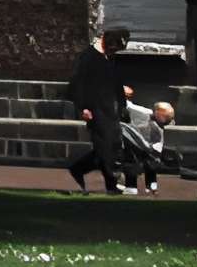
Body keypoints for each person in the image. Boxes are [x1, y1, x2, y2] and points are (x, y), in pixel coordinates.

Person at [68, 26, 133, 192]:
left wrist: (122, 104)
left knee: (111, 145)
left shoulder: (109, 58)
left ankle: (79, 169)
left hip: (110, 107)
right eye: (113, 48)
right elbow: (78, 84)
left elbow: (115, 80)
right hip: (95, 108)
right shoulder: (88, 57)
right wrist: (83, 107)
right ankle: (111, 184)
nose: (113, 51)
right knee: (104, 145)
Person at [120, 98, 177, 193]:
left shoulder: (167, 123)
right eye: (164, 115)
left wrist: (155, 149)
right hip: (135, 141)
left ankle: (151, 186)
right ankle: (131, 187)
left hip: (150, 146)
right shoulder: (143, 112)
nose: (166, 118)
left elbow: (161, 139)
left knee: (152, 163)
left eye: (168, 116)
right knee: (131, 161)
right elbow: (129, 105)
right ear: (157, 112)